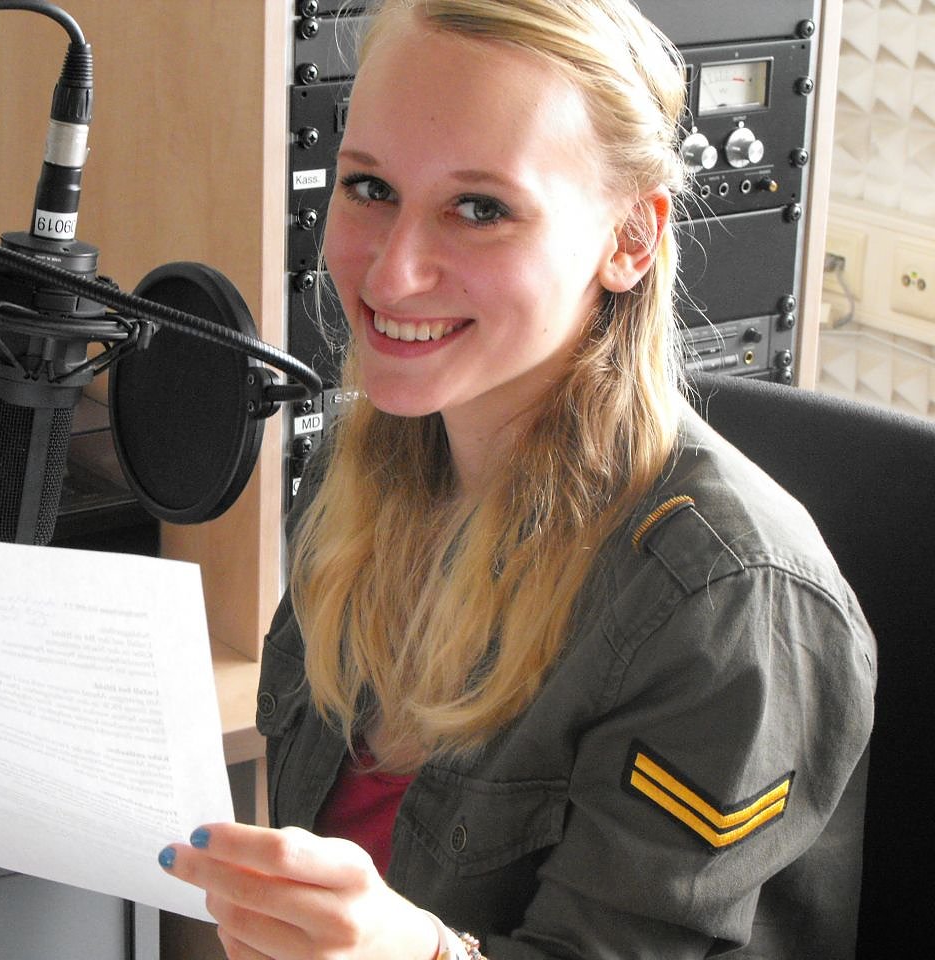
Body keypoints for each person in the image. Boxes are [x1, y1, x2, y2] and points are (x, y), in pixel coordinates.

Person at [158, 0, 876, 957]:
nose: (392, 274)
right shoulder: (367, 470)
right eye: (370, 187)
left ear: (629, 239)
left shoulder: (729, 601)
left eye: (480, 209)